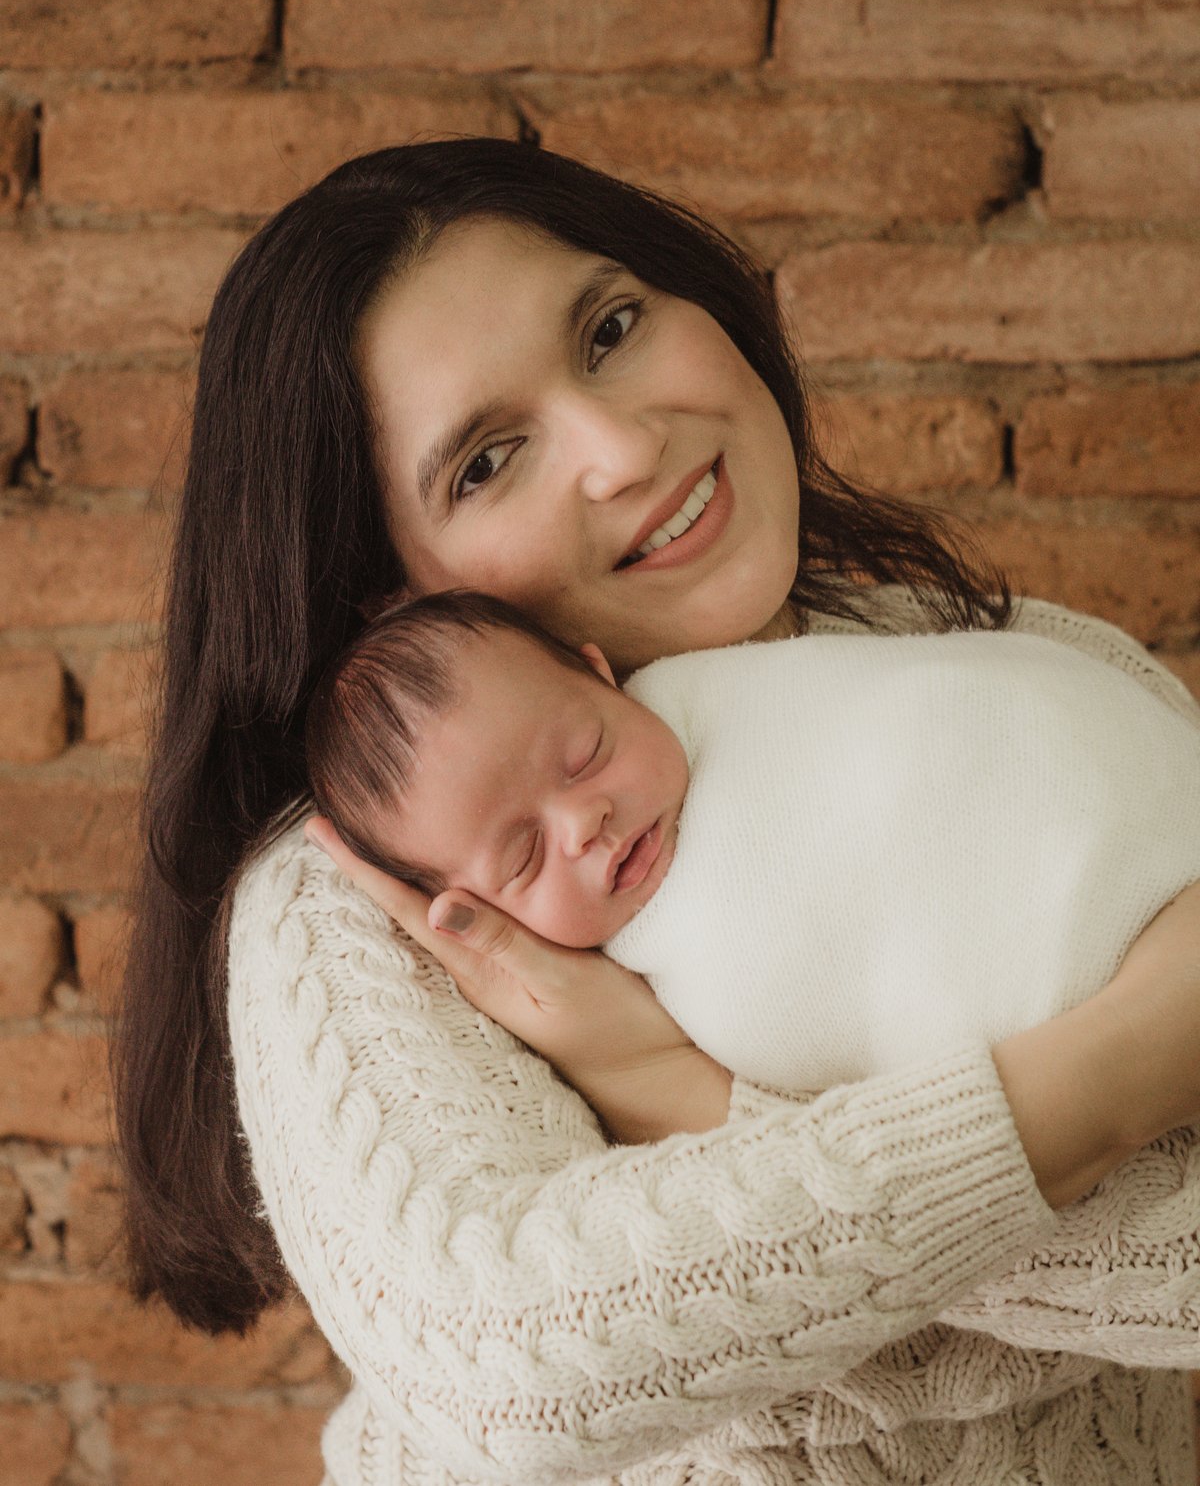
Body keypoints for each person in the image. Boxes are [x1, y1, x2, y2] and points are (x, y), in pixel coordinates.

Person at [114, 138, 1200, 1485]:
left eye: (612, 330)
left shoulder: (1029, 663)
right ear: (391, 596)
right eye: (486, 462)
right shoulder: (403, 892)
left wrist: (703, 1117)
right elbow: (510, 1364)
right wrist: (1128, 1060)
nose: (626, 446)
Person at [304, 588, 1200, 1094]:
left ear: (602, 675)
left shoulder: (734, 687)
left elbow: (938, 719)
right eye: (524, 857)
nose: (583, 823)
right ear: (470, 912)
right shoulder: (620, 1002)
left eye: (586, 753)